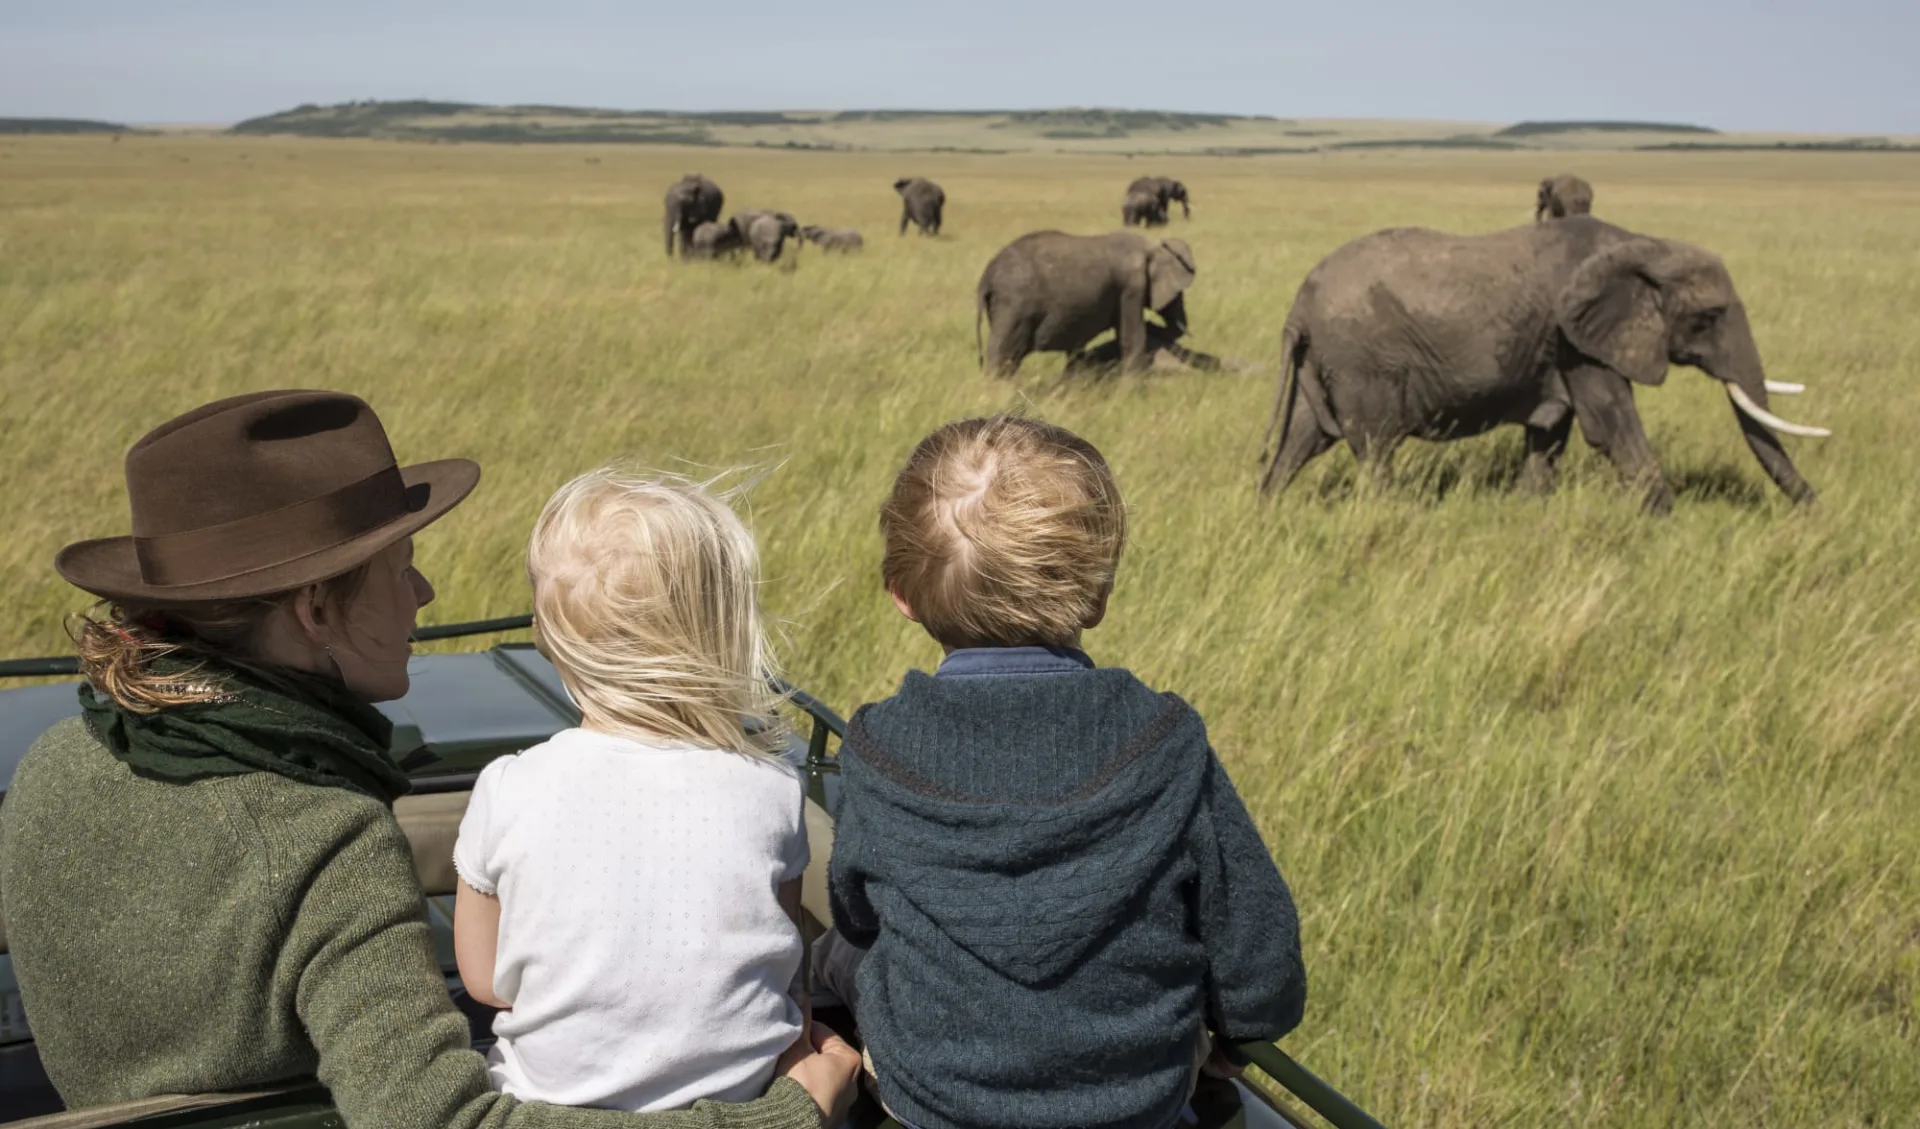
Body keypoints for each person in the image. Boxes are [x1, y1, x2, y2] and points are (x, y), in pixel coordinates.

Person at [0, 390, 858, 1129]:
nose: (423, 594)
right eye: (401, 568)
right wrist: (783, 1112)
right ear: (314, 608)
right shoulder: (316, 836)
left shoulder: (56, 761)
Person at [825, 414, 1308, 1129]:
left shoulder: (877, 746)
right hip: (1139, 1108)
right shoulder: (1167, 740)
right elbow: (1260, 960)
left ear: (902, 593)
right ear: (1098, 596)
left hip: (930, 1103)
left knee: (830, 957)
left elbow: (855, 912)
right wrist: (1231, 1041)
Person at [452, 470, 811, 1112]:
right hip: (742, 1104)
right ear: (721, 630)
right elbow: (780, 959)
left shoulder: (508, 787)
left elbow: (483, 980)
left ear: (547, 637)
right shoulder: (773, 785)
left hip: (545, 1110)